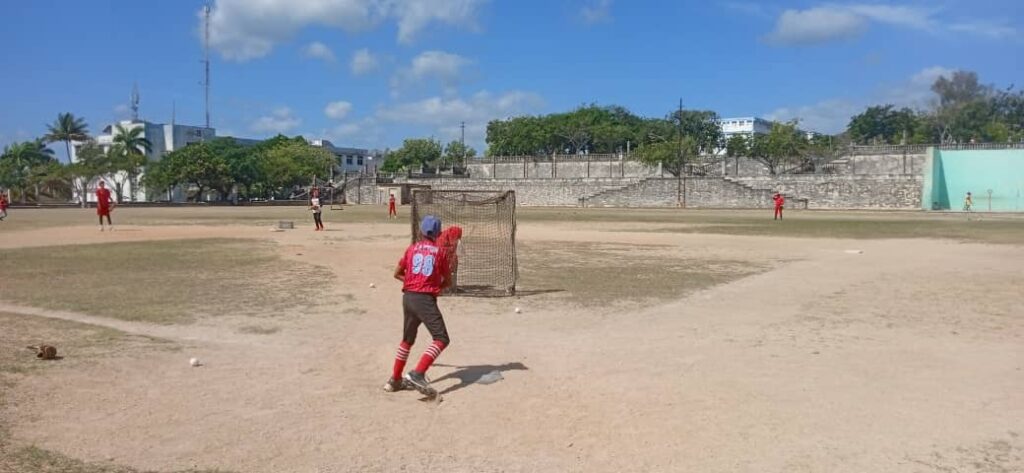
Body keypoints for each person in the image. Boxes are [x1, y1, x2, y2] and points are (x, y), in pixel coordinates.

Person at [385, 215, 452, 398]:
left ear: (421, 231)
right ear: (438, 233)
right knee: (441, 338)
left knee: (407, 340)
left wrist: (413, 283)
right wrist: (434, 287)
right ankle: (418, 372)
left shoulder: (412, 248)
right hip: (424, 299)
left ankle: (395, 380)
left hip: (408, 297)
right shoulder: (440, 252)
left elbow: (397, 273)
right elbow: (448, 281)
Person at [437, 226, 463, 294]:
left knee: (451, 271)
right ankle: (448, 289)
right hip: (444, 258)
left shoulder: (447, 236)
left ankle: (452, 288)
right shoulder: (444, 238)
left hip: (446, 257)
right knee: (447, 272)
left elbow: (458, 250)